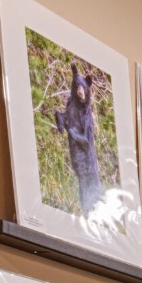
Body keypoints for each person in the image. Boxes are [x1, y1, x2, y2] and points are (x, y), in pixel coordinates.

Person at [53, 67, 101, 213]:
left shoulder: (87, 114)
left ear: (87, 89)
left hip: (87, 166)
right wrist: (60, 119)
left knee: (89, 201)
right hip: (78, 164)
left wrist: (72, 133)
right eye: (78, 87)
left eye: (83, 88)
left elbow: (87, 143)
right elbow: (64, 123)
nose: (80, 91)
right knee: (83, 198)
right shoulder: (71, 105)